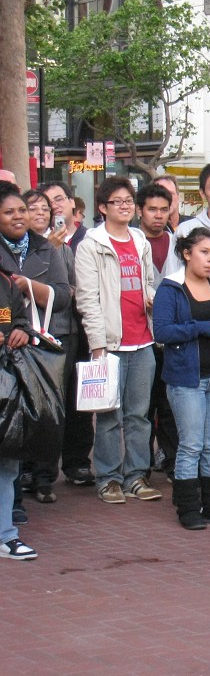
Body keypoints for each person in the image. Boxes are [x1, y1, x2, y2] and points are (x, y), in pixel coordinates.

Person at [75, 176, 161, 504]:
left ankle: (137, 476)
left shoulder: (139, 240)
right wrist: (97, 342)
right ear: (102, 207)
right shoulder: (91, 245)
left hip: (143, 340)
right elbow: (87, 298)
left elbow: (147, 281)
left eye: (128, 201)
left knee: (138, 415)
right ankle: (109, 478)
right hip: (110, 342)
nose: (125, 206)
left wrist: (153, 298)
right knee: (109, 415)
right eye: (117, 202)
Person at [152, 227, 210, 530]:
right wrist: (201, 327)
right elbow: (162, 332)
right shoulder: (170, 288)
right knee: (191, 444)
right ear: (186, 253)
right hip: (186, 378)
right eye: (205, 252)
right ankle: (188, 508)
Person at [0, 185, 72, 504]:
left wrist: (29, 286)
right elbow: (6, 306)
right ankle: (12, 500)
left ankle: (38, 481)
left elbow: (63, 296)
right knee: (7, 425)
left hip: (35, 346)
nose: (19, 217)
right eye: (9, 212)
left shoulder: (46, 248)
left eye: (22, 211)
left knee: (37, 415)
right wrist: (11, 325)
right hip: (6, 344)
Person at [40, 182, 93, 486]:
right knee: (51, 398)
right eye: (48, 203)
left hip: (84, 330)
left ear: (73, 204)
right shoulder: (38, 244)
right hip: (51, 331)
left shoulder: (90, 239)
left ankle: (77, 462)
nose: (55, 207)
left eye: (59, 199)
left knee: (81, 399)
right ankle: (43, 470)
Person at [136, 183, 179, 478]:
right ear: (140, 211)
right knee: (142, 406)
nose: (158, 216)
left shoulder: (178, 243)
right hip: (140, 334)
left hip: (172, 336)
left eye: (164, 209)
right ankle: (140, 467)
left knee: (170, 404)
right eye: (152, 209)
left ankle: (172, 459)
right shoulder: (132, 242)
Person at [0, 271, 34, 559]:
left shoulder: (6, 281)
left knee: (7, 460)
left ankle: (5, 535)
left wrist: (21, 330)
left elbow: (20, 319)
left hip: (5, 383)